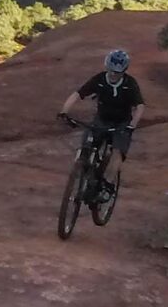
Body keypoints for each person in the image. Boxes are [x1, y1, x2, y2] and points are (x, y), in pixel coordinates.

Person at [58, 49, 146, 202]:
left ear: (124, 71)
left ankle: (107, 185)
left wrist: (132, 125)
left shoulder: (129, 84)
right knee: (87, 145)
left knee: (118, 152)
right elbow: (78, 94)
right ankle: (85, 173)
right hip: (102, 119)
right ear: (106, 67)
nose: (113, 74)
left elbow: (140, 106)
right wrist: (64, 111)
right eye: (111, 71)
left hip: (121, 123)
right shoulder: (99, 79)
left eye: (117, 72)